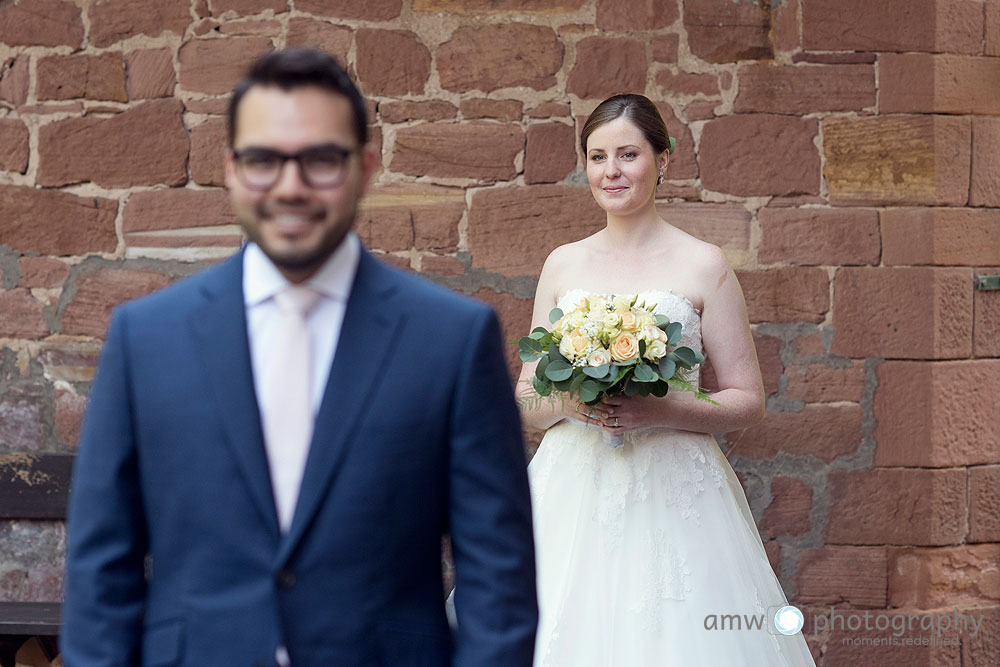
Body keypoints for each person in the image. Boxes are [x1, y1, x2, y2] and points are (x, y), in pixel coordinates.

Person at [62, 48, 537, 667]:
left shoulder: (452, 339)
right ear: (230, 169)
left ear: (367, 166)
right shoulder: (145, 338)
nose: (291, 186)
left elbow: (499, 574)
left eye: (320, 159)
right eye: (263, 159)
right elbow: (102, 567)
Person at [519, 94, 815, 666]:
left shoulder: (703, 264)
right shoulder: (563, 264)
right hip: (571, 488)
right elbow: (527, 397)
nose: (612, 171)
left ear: (663, 159)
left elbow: (747, 400)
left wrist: (664, 410)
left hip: (675, 488)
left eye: (628, 154)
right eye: (598, 156)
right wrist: (575, 404)